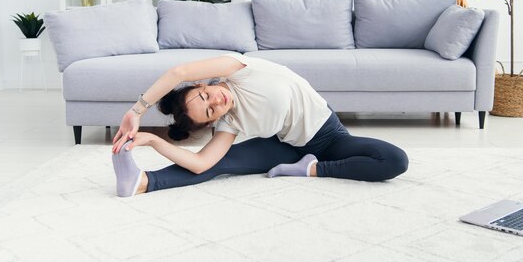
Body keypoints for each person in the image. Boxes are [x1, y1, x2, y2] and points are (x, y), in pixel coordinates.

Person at [111, 53, 409, 197]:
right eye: (209, 110)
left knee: (395, 160)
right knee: (218, 164)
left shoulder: (238, 69)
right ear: (213, 120)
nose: (216, 101)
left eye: (205, 95)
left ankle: (311, 169)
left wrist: (137, 111)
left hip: (329, 137)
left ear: (201, 83)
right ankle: (141, 182)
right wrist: (153, 140)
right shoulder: (229, 121)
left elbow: (179, 71)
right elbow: (201, 163)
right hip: (288, 147)